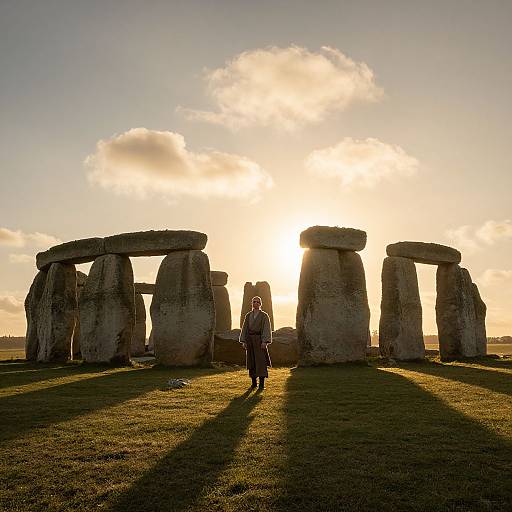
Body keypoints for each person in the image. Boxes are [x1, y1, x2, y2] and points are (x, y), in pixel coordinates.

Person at [239, 295, 272, 389]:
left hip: (259, 340)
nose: (256, 303)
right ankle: (253, 383)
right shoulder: (248, 315)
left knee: (261, 361)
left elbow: (266, 329)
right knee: (251, 360)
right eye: (254, 302)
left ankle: (261, 384)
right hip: (250, 340)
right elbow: (244, 328)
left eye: (257, 302)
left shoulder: (264, 316)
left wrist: (264, 341)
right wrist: (244, 341)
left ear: (260, 304)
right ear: (252, 303)